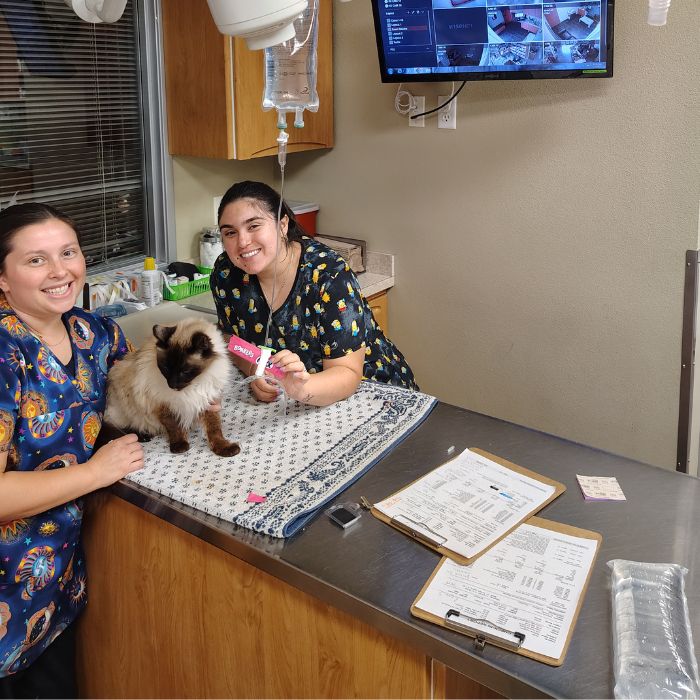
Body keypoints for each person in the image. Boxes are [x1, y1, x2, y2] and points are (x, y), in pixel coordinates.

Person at [0, 203, 144, 698]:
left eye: (69, 252)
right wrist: (95, 472)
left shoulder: (95, 333)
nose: (61, 271)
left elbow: (144, 391)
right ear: (2, 278)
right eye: (36, 260)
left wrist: (251, 376)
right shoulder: (4, 352)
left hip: (55, 591)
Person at [210, 180, 418, 407]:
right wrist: (255, 367)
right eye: (230, 233)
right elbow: (231, 339)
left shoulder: (328, 275)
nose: (243, 242)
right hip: (295, 403)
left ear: (282, 225)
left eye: (254, 226)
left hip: (375, 395)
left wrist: (301, 388)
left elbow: (347, 372)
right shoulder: (226, 273)